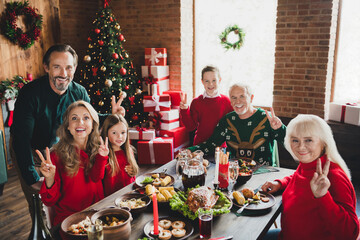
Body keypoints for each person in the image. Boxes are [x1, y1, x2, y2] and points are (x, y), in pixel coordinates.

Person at [10, 44, 124, 222]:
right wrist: (32, 177)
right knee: (40, 206)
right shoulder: (30, 94)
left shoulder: (79, 92)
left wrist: (112, 116)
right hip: (32, 151)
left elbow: (88, 118)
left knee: (61, 197)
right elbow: (21, 139)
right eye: (57, 67)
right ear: (46, 67)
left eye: (68, 67)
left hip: (60, 150)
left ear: (74, 69)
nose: (63, 73)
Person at [261, 114, 359, 240]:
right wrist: (280, 183)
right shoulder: (307, 164)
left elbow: (351, 233)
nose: (301, 147)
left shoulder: (334, 176)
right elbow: (300, 178)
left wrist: (323, 197)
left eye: (308, 140)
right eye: (295, 140)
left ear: (323, 143)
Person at [37, 100, 109, 227]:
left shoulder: (99, 149)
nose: (80, 122)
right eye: (74, 118)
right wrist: (49, 178)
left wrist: (102, 158)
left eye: (86, 118)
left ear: (93, 124)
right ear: (68, 126)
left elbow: (97, 177)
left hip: (98, 216)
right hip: (71, 221)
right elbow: (49, 201)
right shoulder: (56, 155)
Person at [188, 83, 286, 166]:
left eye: (242, 96)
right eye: (234, 98)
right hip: (235, 172)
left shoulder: (266, 118)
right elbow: (211, 144)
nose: (237, 102)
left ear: (251, 98)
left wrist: (279, 128)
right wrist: (190, 150)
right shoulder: (227, 120)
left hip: (264, 173)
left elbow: (288, 142)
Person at [180, 65, 233, 145]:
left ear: (219, 80)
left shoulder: (227, 101)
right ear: (202, 82)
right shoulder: (196, 102)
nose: (210, 84)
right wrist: (184, 109)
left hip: (220, 147)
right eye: (207, 81)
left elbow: (232, 125)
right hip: (200, 145)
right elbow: (191, 127)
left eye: (214, 80)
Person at [98, 114, 139, 196]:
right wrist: (101, 157)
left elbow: (132, 177)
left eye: (123, 132)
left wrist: (134, 171)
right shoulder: (103, 154)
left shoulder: (129, 150)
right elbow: (98, 177)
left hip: (129, 195)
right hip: (111, 199)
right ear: (106, 133)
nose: (119, 136)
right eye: (114, 133)